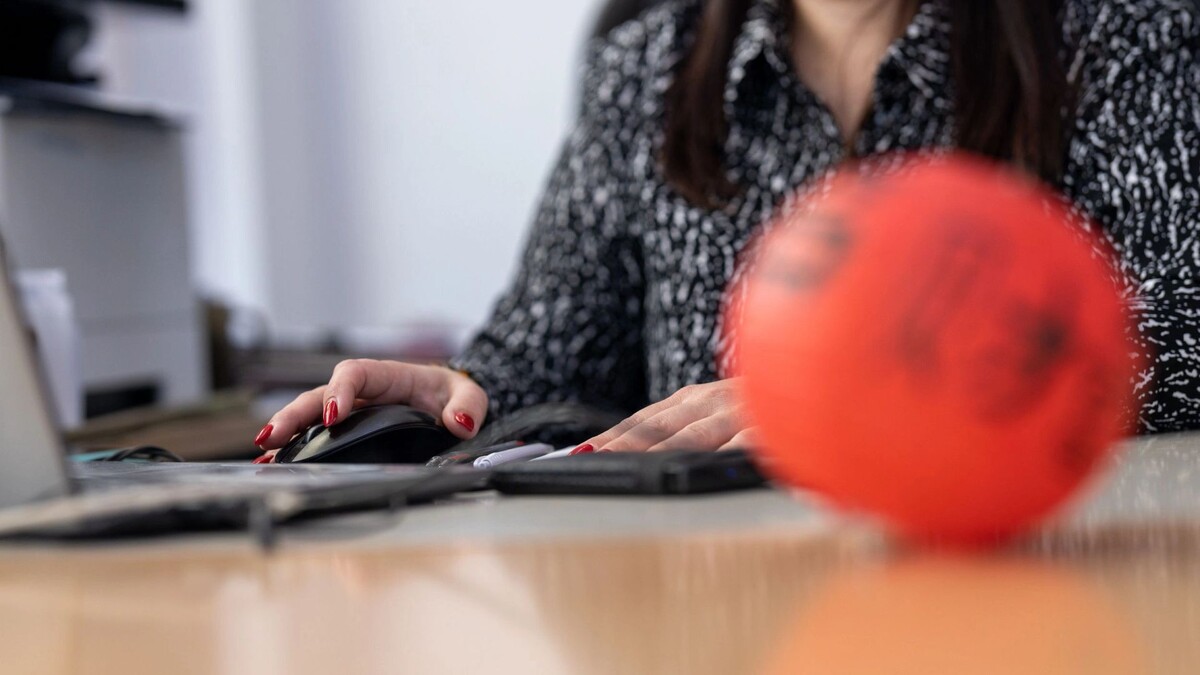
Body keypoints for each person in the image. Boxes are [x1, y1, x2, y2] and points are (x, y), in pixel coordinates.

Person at [255, 0, 1200, 459]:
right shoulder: (646, 71)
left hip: (1034, 570)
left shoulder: (1122, 35)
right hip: (721, 600)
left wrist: (890, 387)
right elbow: (553, 351)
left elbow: (1186, 324)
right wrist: (459, 394)